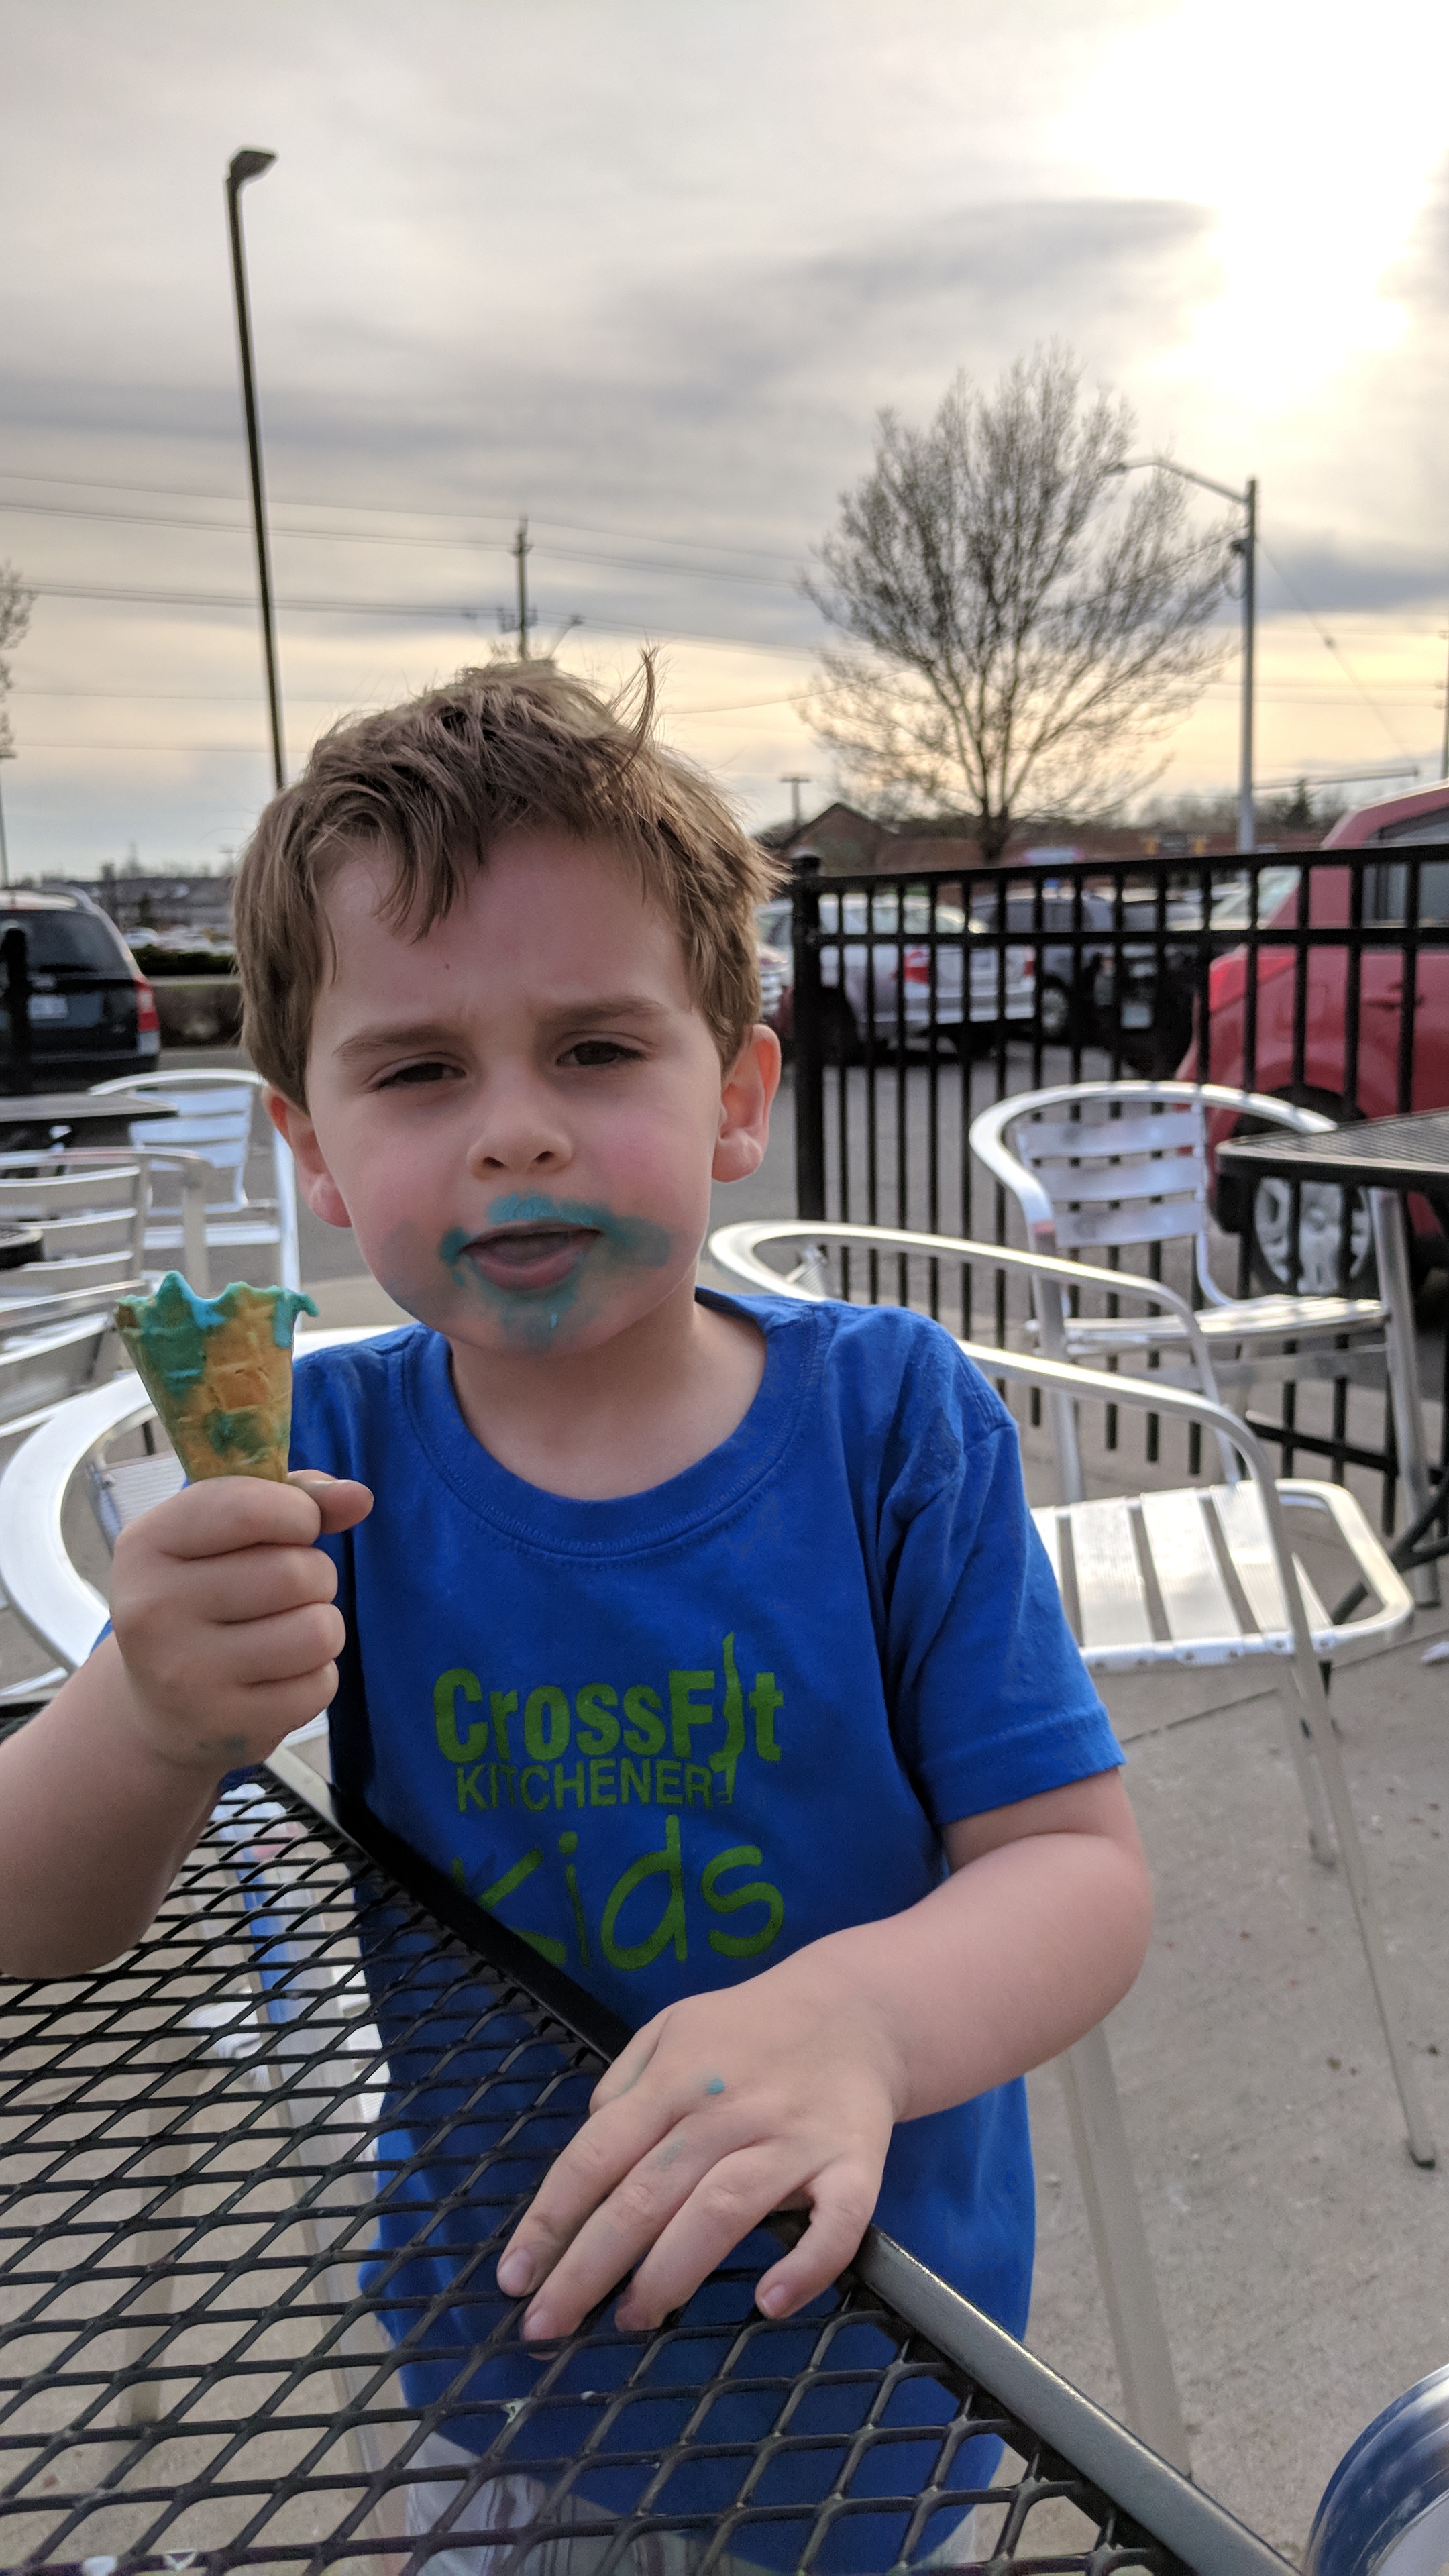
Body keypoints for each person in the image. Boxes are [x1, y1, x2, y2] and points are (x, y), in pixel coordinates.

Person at [0, 663, 1151, 2573]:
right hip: (506, 2361)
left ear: (736, 1095)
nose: (515, 1132)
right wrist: (148, 1713)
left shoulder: (891, 1428)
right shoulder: (318, 1462)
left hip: (866, 2366)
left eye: (598, 1050)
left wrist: (862, 2019)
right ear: (313, 1144)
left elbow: (1078, 1873)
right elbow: (35, 1920)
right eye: (420, 1071)